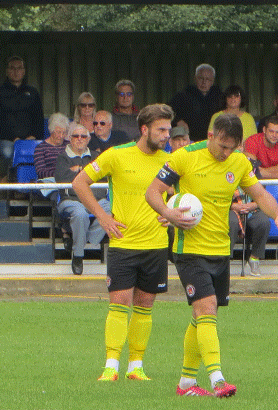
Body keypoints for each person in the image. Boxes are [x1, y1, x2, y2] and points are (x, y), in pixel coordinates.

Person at [145, 114, 278, 398]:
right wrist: (168, 213)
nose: (226, 153)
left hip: (221, 249)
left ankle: (186, 384)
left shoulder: (239, 162)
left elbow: (260, 195)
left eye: (232, 148)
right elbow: (153, 192)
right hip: (189, 251)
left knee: (202, 317)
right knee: (207, 306)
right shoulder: (184, 157)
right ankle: (217, 379)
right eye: (222, 146)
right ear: (211, 136)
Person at [72, 104, 174, 382]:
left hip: (155, 243)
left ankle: (136, 366)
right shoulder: (117, 155)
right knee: (119, 304)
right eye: (161, 129)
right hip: (123, 242)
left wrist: (171, 213)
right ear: (145, 129)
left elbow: (178, 193)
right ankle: (111, 366)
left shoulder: (170, 161)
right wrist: (103, 216)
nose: (166, 135)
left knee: (145, 306)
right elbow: (80, 183)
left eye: (168, 129)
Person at [55, 123, 107, 275]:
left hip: (96, 198)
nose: (79, 139)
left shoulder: (97, 156)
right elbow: (62, 178)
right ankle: (78, 255)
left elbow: (103, 177)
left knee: (112, 209)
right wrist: (88, 175)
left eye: (83, 136)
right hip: (71, 199)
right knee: (80, 214)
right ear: (69, 139)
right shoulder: (62, 158)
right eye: (75, 136)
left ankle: (84, 240)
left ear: (88, 138)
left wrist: (78, 171)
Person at [0, 55, 44, 161]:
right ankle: (12, 177)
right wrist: (14, 138)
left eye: (19, 68)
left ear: (24, 71)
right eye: (12, 68)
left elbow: (38, 119)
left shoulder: (33, 93)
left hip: (30, 139)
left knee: (43, 152)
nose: (16, 71)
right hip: (6, 140)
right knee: (10, 152)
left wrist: (33, 136)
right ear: (7, 71)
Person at [228, 166, 271, 278]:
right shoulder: (222, 167)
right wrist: (233, 206)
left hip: (252, 207)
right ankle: (225, 260)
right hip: (230, 208)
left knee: (263, 221)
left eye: (241, 146)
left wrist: (255, 204)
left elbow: (262, 194)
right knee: (231, 222)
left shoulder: (252, 167)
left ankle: (254, 259)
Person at [169, 63, 224, 141]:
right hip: (189, 140)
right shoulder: (183, 95)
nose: (204, 82)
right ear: (195, 78)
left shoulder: (220, 97)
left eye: (208, 79)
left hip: (213, 141)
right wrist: (177, 120)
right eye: (201, 78)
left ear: (212, 81)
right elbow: (167, 112)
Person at [32, 113, 69, 179]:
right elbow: (41, 172)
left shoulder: (69, 145)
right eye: (58, 132)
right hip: (50, 182)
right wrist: (60, 174)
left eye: (64, 133)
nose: (61, 136)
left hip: (69, 180)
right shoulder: (41, 148)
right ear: (51, 131)